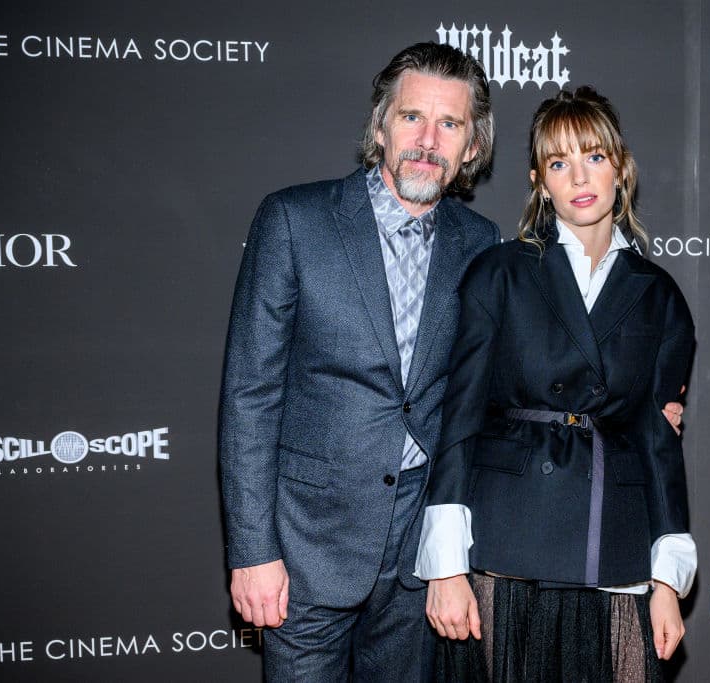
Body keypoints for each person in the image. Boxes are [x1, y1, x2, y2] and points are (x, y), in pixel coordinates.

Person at [218, 42, 499, 681]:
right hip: (305, 551)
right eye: (411, 117)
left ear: (472, 149)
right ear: (379, 127)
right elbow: (249, 394)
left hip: (415, 563)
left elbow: (490, 391)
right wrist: (253, 551)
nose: (428, 140)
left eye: (449, 124)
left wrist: (638, 401)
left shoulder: (481, 246)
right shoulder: (295, 220)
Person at [415, 86, 696, 681]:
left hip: (614, 545)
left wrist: (668, 579)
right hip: (509, 540)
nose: (580, 176)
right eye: (559, 162)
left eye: (594, 156)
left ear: (621, 167)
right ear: (540, 181)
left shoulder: (660, 296)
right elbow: (459, 418)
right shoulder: (500, 273)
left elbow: (658, 442)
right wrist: (444, 567)